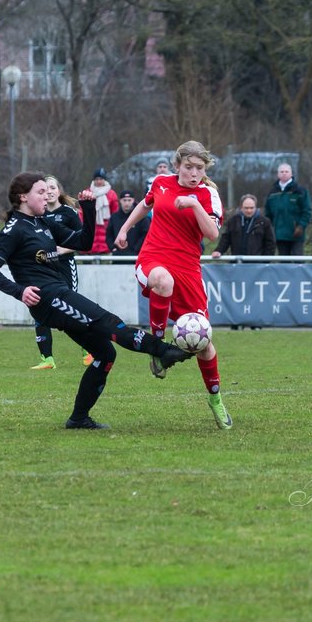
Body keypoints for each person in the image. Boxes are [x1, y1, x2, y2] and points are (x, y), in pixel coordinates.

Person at [0, 172, 193, 430]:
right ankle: (163, 351)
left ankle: (79, 418)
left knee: (105, 353)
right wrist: (20, 292)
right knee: (108, 322)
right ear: (22, 197)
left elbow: (84, 242)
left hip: (58, 293)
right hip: (49, 299)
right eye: (39, 192)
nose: (46, 195)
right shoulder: (14, 229)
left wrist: (89, 209)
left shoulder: (42, 223)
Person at [112, 141, 232, 429]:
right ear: (177, 165)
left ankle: (215, 398)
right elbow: (145, 204)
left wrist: (193, 204)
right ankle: (156, 346)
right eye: (188, 167)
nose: (193, 173)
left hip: (189, 269)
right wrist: (125, 228)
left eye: (199, 168)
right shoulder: (162, 182)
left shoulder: (207, 194)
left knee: (204, 345)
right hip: (153, 257)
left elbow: (213, 234)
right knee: (162, 281)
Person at [29, 176, 83, 370]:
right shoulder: (38, 215)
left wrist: (62, 249)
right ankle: (47, 359)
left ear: (58, 191)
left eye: (52, 188)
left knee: (72, 310)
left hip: (65, 268)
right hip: (44, 270)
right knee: (39, 309)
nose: (49, 191)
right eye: (44, 189)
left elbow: (83, 240)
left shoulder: (68, 213)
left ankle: (90, 350)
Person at [264, 162, 312, 256]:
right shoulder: (272, 193)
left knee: (298, 263)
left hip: (296, 235)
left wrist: (301, 226)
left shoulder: (300, 191)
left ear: (291, 174)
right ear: (278, 174)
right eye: (282, 171)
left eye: (286, 171)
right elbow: (268, 213)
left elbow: (307, 211)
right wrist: (271, 228)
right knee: (284, 264)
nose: (284, 173)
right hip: (279, 235)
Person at [211, 193, 275, 259]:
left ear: (256, 207)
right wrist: (219, 251)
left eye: (251, 208)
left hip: (257, 264)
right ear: (241, 207)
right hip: (237, 263)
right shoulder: (233, 221)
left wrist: (264, 261)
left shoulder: (264, 222)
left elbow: (270, 244)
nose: (249, 210)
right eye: (246, 208)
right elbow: (226, 239)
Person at [86, 167, 119, 254]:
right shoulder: (87, 193)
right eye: (97, 179)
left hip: (106, 229)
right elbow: (83, 213)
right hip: (92, 228)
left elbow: (115, 214)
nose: (99, 181)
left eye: (101, 179)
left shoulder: (112, 194)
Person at [107, 191, 150, 256]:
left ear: (133, 200)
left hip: (136, 256)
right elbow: (109, 235)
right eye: (124, 200)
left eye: (129, 200)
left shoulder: (142, 217)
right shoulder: (114, 217)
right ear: (120, 201)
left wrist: (137, 249)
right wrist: (113, 247)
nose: (127, 203)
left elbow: (146, 234)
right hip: (118, 256)